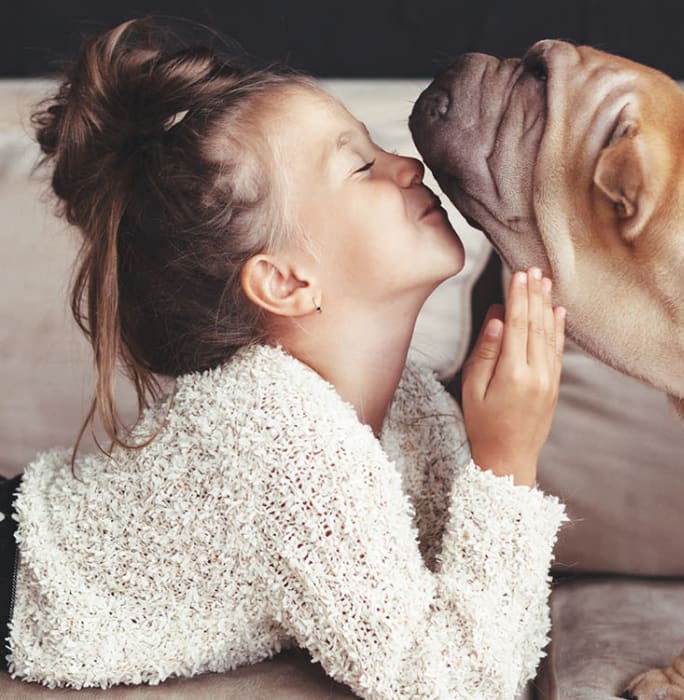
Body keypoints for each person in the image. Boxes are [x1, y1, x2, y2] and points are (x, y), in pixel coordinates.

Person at [0, 16, 569, 699]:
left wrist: (490, 455)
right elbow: (453, 681)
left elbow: (469, 610)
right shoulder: (274, 435)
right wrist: (506, 462)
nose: (408, 165)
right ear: (286, 282)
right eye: (361, 165)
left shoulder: (413, 403)